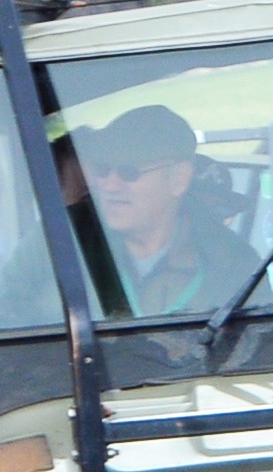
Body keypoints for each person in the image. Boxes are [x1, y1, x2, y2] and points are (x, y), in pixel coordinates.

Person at [56, 100, 259, 319]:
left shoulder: (232, 263)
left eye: (129, 172)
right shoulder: (62, 243)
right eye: (102, 170)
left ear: (178, 179)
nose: (110, 185)